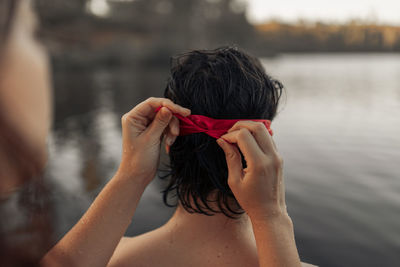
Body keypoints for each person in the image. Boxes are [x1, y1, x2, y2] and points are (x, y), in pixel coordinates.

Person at [0, 1, 307, 266]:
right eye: (33, 34)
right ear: (265, 152)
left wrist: (130, 175)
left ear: (168, 142)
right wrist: (271, 218)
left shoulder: (104, 257)